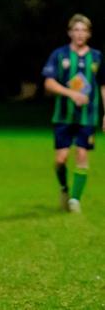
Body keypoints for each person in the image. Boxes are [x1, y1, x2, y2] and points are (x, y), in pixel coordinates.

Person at [42, 13, 105, 213]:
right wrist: (71, 94)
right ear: (70, 33)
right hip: (63, 116)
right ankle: (64, 189)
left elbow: (103, 86)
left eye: (83, 30)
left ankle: (75, 200)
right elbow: (49, 83)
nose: (79, 34)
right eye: (76, 30)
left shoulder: (97, 57)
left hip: (88, 116)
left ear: (89, 34)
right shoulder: (59, 55)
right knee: (60, 159)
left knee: (81, 152)